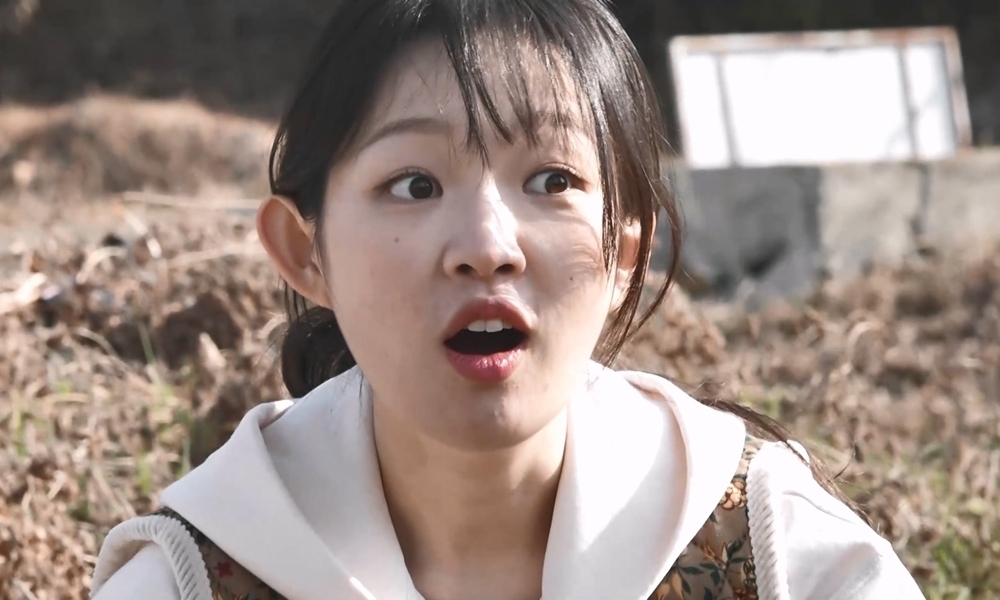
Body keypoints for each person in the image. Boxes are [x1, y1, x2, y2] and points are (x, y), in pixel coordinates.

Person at [89, 1, 926, 599]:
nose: (488, 245)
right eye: (414, 184)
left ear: (626, 256)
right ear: (306, 251)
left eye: (552, 180)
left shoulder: (778, 555)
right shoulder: (199, 575)